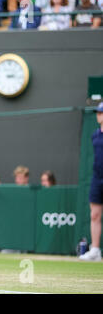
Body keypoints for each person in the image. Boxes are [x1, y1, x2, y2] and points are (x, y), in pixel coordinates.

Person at [79, 102, 103, 262]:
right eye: (98, 112)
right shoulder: (95, 134)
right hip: (97, 178)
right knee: (94, 215)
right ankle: (95, 250)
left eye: (101, 112)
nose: (99, 115)